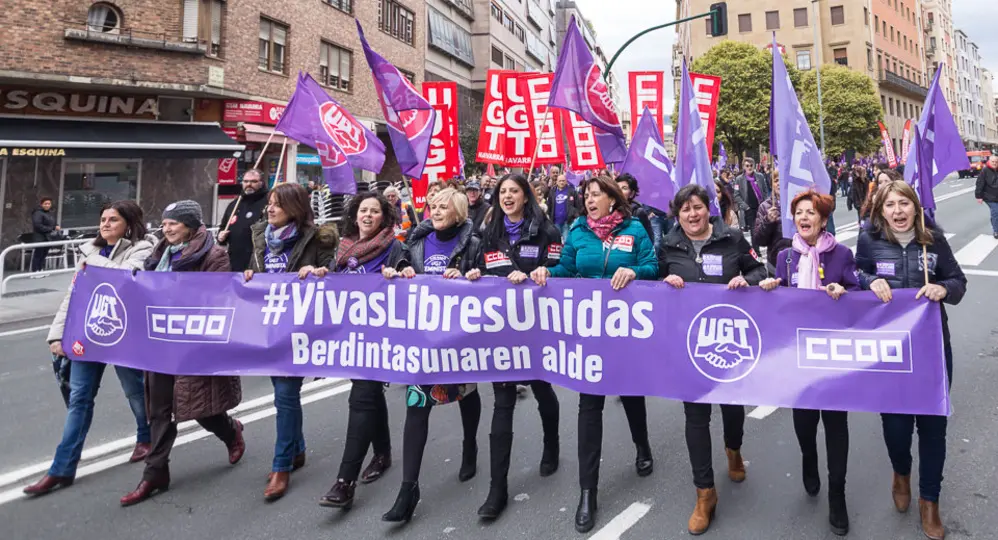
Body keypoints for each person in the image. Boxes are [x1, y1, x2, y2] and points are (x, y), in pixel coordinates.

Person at [529, 176, 658, 534]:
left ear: (612, 201)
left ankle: (642, 444)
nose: (588, 200)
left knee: (631, 393)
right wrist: (545, 271)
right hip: (589, 334)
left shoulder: (635, 228)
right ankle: (588, 492)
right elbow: (566, 268)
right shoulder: (577, 231)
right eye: (586, 195)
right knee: (590, 406)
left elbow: (653, 266)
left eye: (596, 195)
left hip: (626, 329)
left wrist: (633, 270)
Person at [855, 181, 966, 540]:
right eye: (891, 205)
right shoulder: (869, 241)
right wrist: (870, 280)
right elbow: (855, 275)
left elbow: (958, 281)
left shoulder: (932, 241)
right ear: (880, 210)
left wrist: (944, 289)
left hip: (931, 348)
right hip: (890, 351)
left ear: (916, 208)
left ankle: (929, 501)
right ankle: (900, 471)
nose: (898, 211)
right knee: (897, 427)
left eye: (904, 204)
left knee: (933, 427)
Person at [23, 201, 153, 497]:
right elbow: (73, 296)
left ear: (129, 224)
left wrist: (92, 264)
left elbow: (128, 280)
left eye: (113, 220)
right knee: (80, 398)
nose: (105, 224)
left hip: (125, 334)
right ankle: (61, 469)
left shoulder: (143, 247)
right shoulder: (89, 251)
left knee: (135, 389)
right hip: (87, 334)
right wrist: (56, 336)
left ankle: (145, 437)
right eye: (103, 219)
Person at [658, 184, 767, 536]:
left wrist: (745, 279)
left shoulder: (732, 239)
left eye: (697, 207)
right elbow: (652, 283)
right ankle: (704, 492)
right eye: (685, 209)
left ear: (709, 210)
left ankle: (733, 449)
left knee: (731, 407)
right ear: (677, 214)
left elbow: (760, 272)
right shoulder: (668, 245)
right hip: (689, 344)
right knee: (695, 415)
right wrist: (664, 281)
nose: (692, 214)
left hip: (729, 343)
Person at [120, 200, 245, 507]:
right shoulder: (159, 253)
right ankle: (155, 473)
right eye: (164, 223)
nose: (167, 228)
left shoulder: (214, 255)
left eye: (173, 223)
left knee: (198, 407)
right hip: (160, 342)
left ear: (190, 225)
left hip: (193, 344)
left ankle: (230, 432)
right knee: (160, 410)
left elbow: (217, 299)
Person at [759, 190, 860, 536]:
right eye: (799, 213)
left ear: (823, 219)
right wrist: (772, 286)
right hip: (797, 357)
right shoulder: (785, 256)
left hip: (832, 356)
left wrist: (843, 291)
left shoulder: (842, 254)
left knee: (835, 425)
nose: (804, 218)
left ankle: (837, 494)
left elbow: (858, 294)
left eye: (810, 213)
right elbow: (780, 300)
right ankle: (808, 458)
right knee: (804, 425)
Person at [380, 188, 482, 524]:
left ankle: (470, 445)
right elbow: (397, 267)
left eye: (443, 206)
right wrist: (398, 271)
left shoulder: (473, 243)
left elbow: (488, 282)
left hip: (459, 338)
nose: (436, 211)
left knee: (467, 392)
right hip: (424, 339)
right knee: (416, 404)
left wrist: (471, 278)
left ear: (458, 211)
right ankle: (408, 489)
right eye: (433, 206)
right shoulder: (414, 242)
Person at [465, 174, 562, 519]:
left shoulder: (546, 231)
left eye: (513, 191)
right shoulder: (488, 233)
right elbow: (478, 267)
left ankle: (551, 444)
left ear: (526, 196)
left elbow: (558, 269)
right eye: (502, 192)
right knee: (502, 403)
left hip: (536, 331)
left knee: (542, 390)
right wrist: (476, 275)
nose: (507, 196)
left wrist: (541, 273)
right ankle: (497, 488)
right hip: (502, 334)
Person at [243, 183, 339, 501]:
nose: (269, 209)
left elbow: (335, 274)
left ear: (294, 208)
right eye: (268, 204)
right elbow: (251, 269)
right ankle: (297, 450)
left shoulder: (318, 238)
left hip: (299, 329)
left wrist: (319, 271)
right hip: (268, 326)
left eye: (277, 205)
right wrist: (246, 275)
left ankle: (281, 466)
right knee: (283, 395)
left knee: (285, 395)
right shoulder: (260, 235)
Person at [318, 193, 407, 510]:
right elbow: (331, 282)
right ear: (354, 216)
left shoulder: (394, 247)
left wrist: (401, 274)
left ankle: (345, 482)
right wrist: (318, 275)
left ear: (384, 217)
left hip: (381, 341)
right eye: (363, 211)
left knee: (360, 398)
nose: (368, 216)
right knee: (370, 397)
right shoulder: (342, 249)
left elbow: (413, 278)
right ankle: (382, 453)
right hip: (350, 339)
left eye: (375, 211)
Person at [218, 169, 269, 272]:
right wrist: (220, 236)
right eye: (245, 181)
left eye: (253, 181)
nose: (249, 184)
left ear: (261, 183)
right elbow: (223, 227)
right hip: (235, 260)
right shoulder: (234, 204)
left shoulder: (269, 202)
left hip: (258, 259)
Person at [753, 169, 792, 271]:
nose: (779, 183)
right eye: (776, 180)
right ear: (772, 185)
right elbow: (759, 240)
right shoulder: (765, 207)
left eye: (783, 180)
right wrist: (768, 222)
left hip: (799, 262)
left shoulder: (800, 204)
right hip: (775, 263)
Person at [615, 173, 655, 241]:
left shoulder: (638, 213)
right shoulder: (608, 211)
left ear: (631, 194)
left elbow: (649, 240)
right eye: (617, 188)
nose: (619, 191)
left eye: (624, 188)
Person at [733, 158, 767, 239]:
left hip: (760, 207)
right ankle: (756, 250)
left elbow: (765, 191)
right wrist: (745, 206)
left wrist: (764, 202)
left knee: (762, 229)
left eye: (751, 165)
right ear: (744, 167)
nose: (749, 167)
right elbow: (736, 195)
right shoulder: (739, 179)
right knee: (753, 230)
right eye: (747, 166)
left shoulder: (760, 176)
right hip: (749, 209)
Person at [30, 197, 60, 272]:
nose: (47, 205)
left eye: (49, 204)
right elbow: (37, 225)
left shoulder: (49, 213)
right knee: (38, 254)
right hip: (40, 237)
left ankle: (40, 269)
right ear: (41, 204)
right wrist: (51, 228)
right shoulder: (37, 213)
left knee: (44, 254)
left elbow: (53, 222)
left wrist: (56, 225)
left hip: (48, 237)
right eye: (45, 204)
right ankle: (35, 271)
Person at [547, 174, 581, 239]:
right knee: (556, 241)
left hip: (567, 222)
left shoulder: (572, 191)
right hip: (555, 222)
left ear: (566, 181)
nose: (561, 182)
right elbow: (549, 205)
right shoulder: (552, 191)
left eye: (563, 181)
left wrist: (574, 215)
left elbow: (578, 205)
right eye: (560, 181)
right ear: (557, 182)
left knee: (566, 241)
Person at [974, 154, 998, 239]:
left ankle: (995, 226)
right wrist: (978, 196)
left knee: (995, 213)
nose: (994, 163)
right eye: (993, 161)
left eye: (996, 162)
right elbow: (979, 184)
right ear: (989, 161)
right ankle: (996, 231)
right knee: (996, 211)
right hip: (989, 196)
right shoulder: (985, 170)